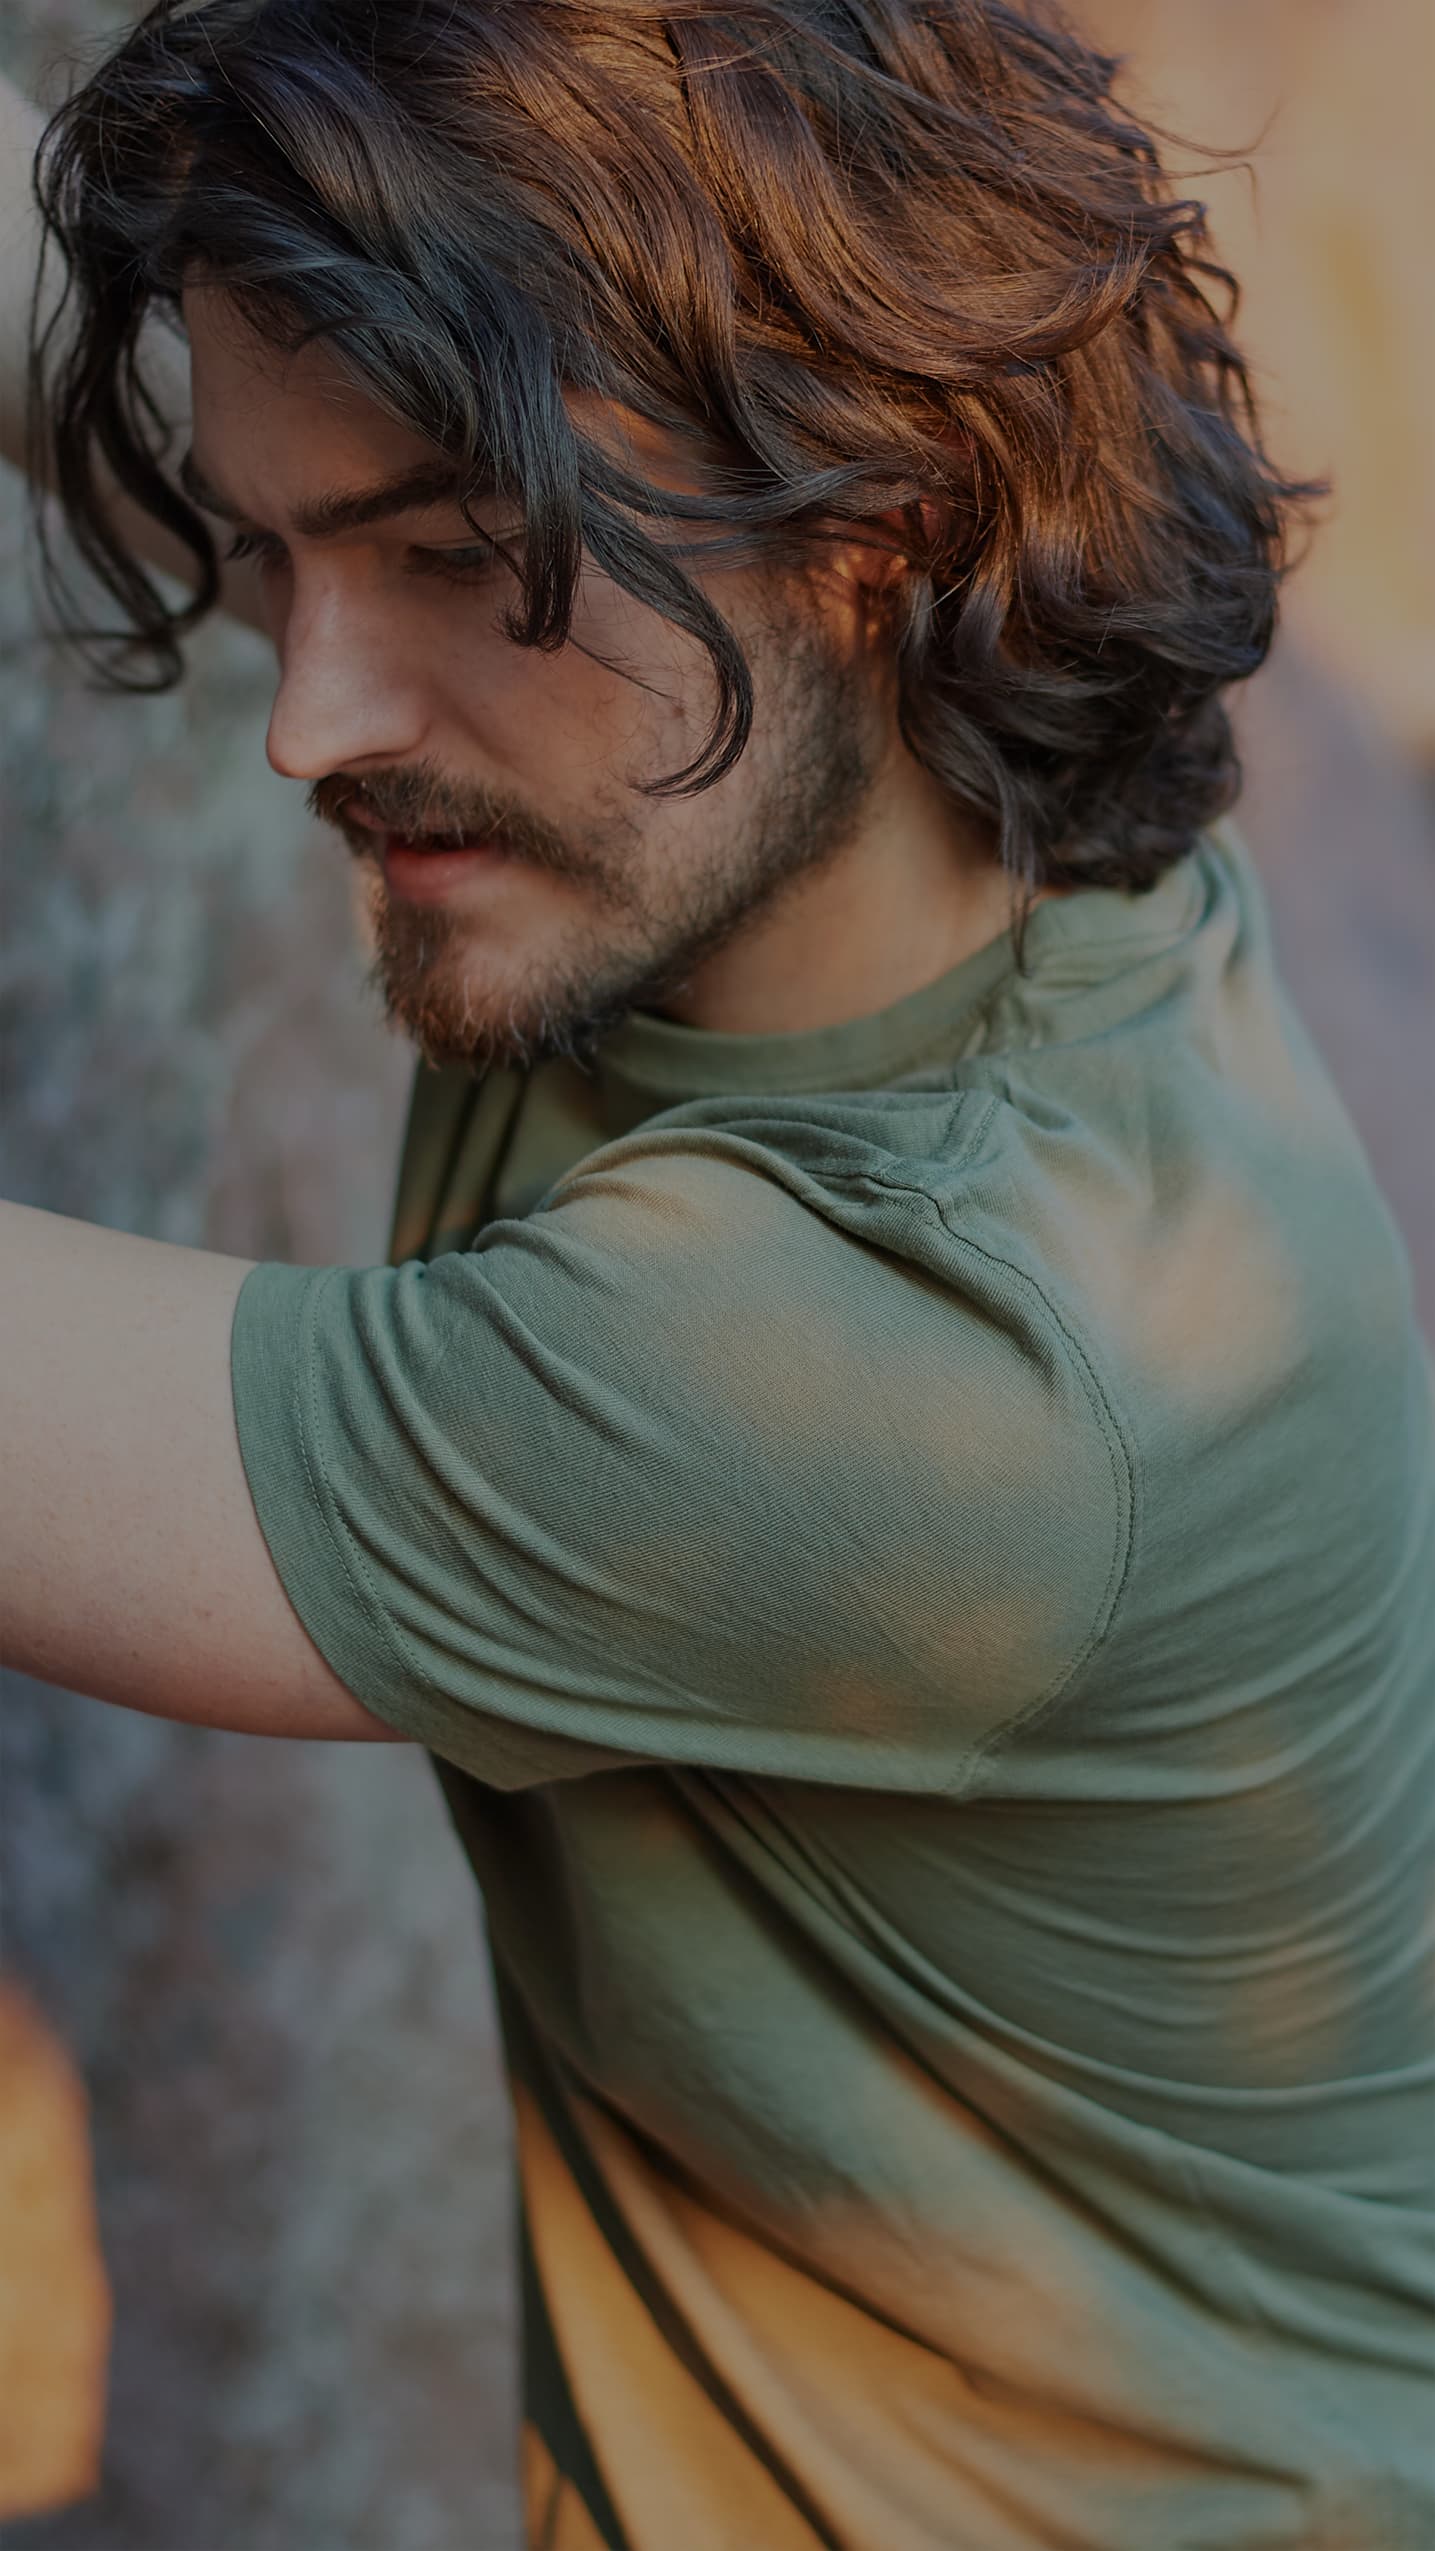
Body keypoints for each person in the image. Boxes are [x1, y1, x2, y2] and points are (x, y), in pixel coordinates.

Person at [1, 5, 1431, 2544]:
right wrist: (392, 522)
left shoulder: (917, 1368)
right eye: (276, 546)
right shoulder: (873, 785)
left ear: (870, 526)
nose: (308, 714)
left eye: (446, 561)